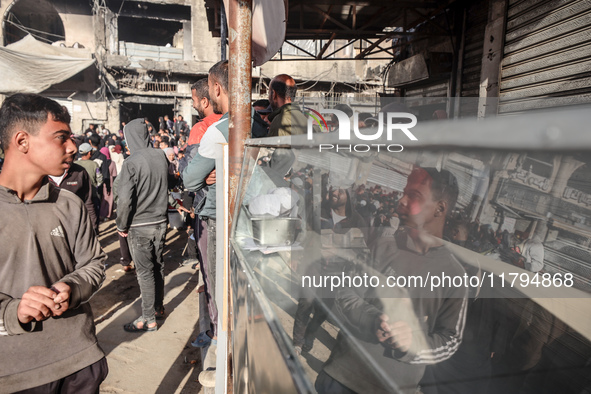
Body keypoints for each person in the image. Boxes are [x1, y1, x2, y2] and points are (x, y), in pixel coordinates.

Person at [316, 167, 468, 394]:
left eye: (414, 196)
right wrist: (373, 319)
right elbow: (345, 293)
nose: (402, 201)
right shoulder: (382, 244)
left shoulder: (455, 275)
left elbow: (450, 341)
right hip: (343, 377)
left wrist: (413, 344)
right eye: (404, 192)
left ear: (440, 208)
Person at [0, 93, 108, 392]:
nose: (72, 147)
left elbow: (94, 264)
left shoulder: (69, 204)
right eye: (61, 138)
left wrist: (72, 288)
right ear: (22, 141)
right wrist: (14, 312)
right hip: (14, 374)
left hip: (80, 362)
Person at [182, 60, 229, 387]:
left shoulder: (213, 129)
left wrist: (208, 176)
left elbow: (189, 178)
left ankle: (219, 339)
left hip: (215, 216)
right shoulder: (258, 121)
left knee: (216, 279)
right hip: (246, 218)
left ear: (214, 90)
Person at [116, 118, 169, 332]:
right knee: (158, 266)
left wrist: (121, 225)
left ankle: (148, 319)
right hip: (161, 221)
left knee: (145, 272)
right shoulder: (160, 155)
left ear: (130, 138)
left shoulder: (131, 162)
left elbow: (125, 200)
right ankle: (158, 308)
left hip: (140, 225)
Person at [187, 79, 222, 146]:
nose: (193, 106)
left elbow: (193, 155)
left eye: (193, 101)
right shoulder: (229, 121)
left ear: (204, 102)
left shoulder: (200, 128)